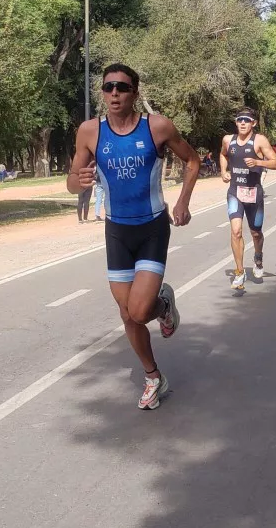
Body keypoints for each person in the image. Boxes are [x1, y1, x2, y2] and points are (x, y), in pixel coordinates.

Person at [67, 63, 200, 410]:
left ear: (134, 93)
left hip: (152, 227)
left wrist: (183, 201)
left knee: (140, 311)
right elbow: (71, 180)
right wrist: (77, 182)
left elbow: (193, 161)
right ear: (102, 93)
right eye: (109, 87)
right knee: (127, 314)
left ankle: (163, 305)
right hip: (117, 231)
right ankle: (153, 376)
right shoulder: (89, 131)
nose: (114, 93)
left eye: (122, 88)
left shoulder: (156, 127)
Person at [219, 108, 276, 291]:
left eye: (247, 120)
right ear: (236, 122)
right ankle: (239, 272)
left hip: (254, 194)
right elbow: (223, 154)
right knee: (236, 231)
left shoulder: (259, 140)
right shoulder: (228, 140)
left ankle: (258, 257)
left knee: (255, 232)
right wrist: (223, 171)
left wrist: (259, 162)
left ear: (253, 123)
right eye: (239, 120)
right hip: (235, 192)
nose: (243, 123)